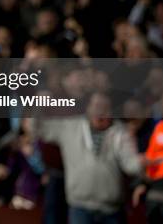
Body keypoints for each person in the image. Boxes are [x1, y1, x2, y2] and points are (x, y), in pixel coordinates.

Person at [39, 92, 143, 224]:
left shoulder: (120, 132)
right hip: (80, 208)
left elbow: (131, 164)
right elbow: (37, 129)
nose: (100, 111)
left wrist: (142, 163)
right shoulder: (70, 127)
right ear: (88, 109)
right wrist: (38, 105)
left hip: (111, 210)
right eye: (97, 106)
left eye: (105, 107)